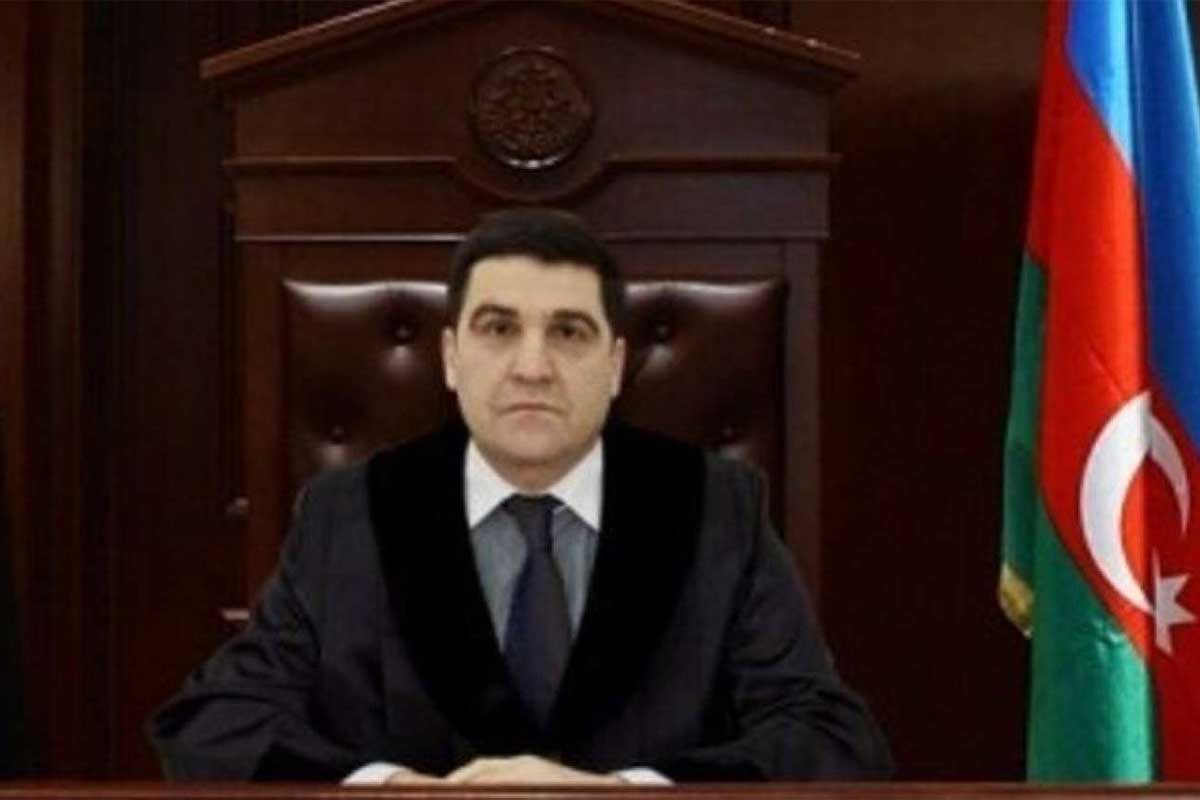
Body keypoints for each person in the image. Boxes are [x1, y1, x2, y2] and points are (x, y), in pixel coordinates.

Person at [150, 208, 892, 784]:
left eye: (568, 333)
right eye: (499, 328)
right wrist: (386, 789)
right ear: (450, 357)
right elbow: (215, 722)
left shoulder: (714, 508)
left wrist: (628, 795)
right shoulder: (351, 513)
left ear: (615, 365)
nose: (532, 367)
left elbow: (832, 737)